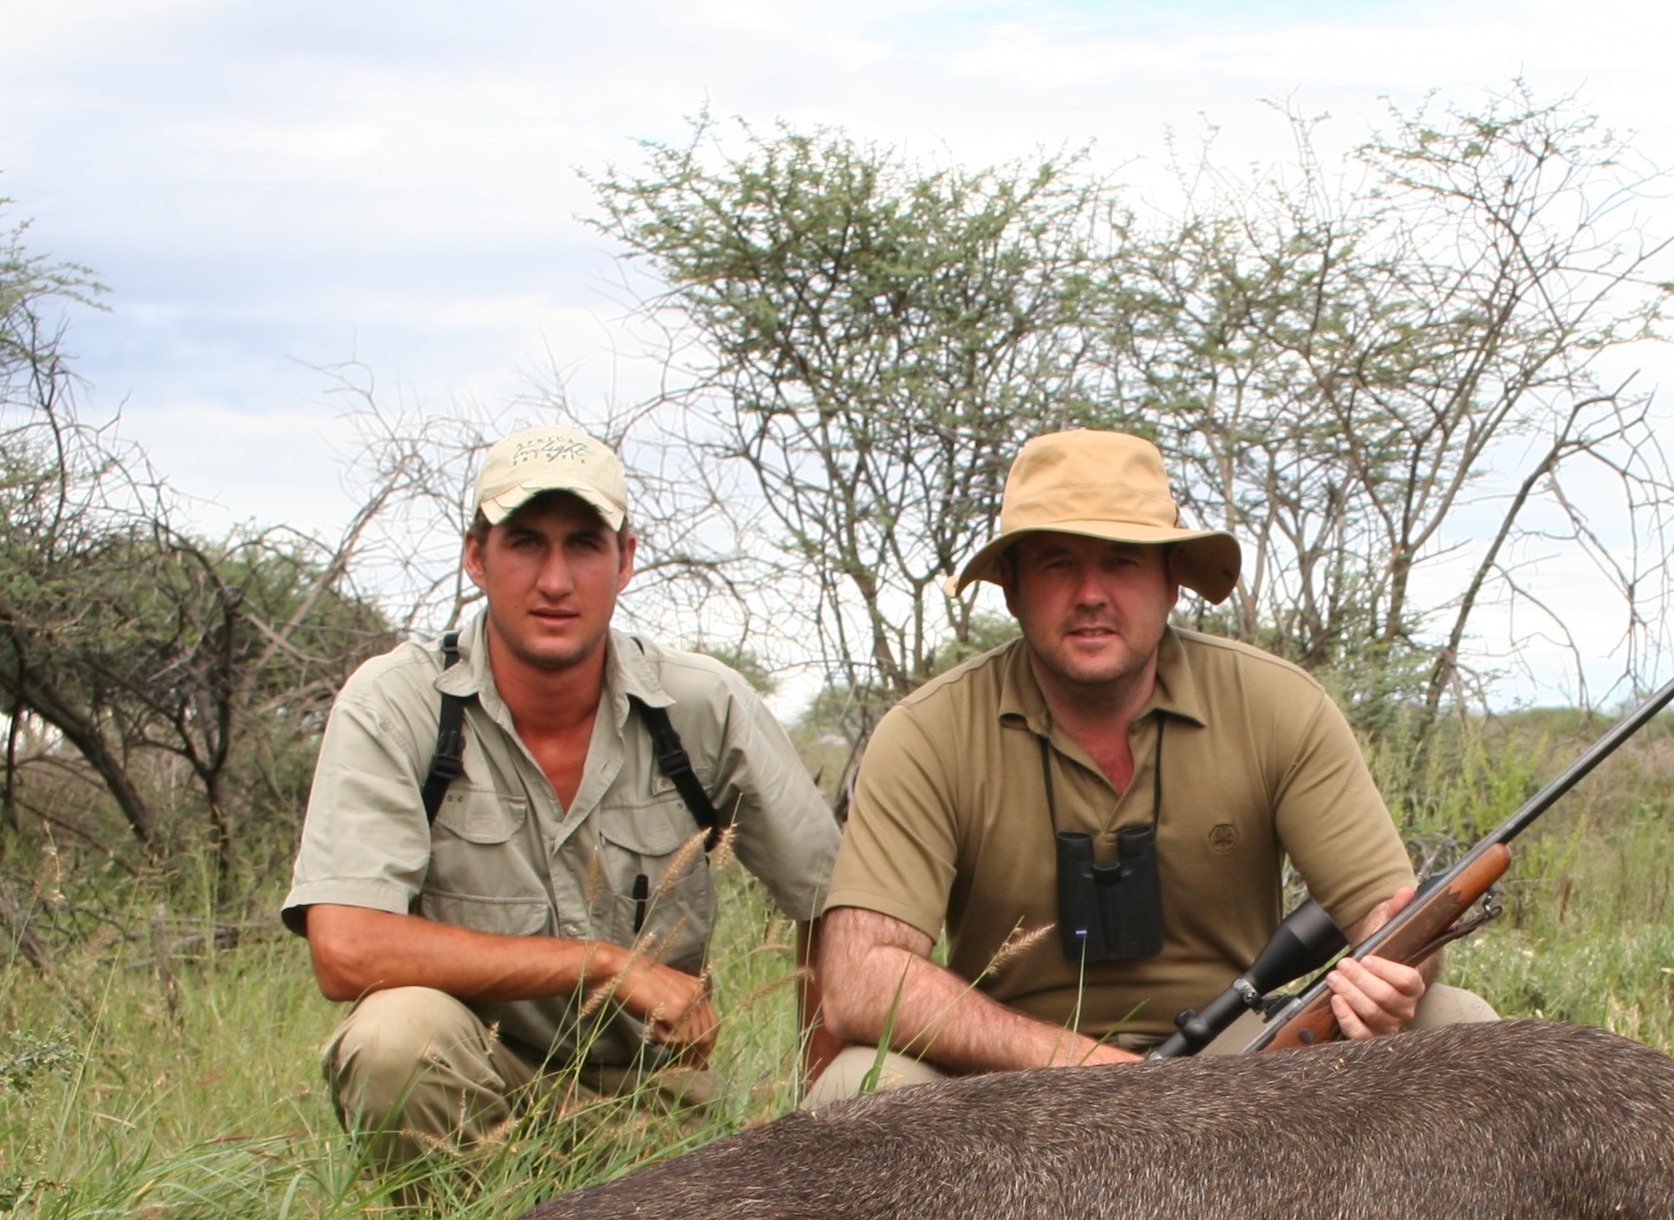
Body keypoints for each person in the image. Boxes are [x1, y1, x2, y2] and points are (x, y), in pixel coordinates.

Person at [808, 430, 1493, 1100]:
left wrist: (1394, 976)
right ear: (1011, 587)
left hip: (1240, 1063)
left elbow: (1391, 915)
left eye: (1122, 561)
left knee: (1453, 1022)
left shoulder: (1279, 704)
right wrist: (1092, 1070)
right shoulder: (927, 731)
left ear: (1172, 581)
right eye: (1055, 563)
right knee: (854, 1086)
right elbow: (859, 977)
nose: (1090, 593)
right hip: (1004, 1080)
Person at [282, 427, 839, 1158]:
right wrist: (605, 965)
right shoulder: (396, 703)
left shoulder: (705, 706)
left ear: (625, 560)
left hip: (651, 1103)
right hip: (474, 1081)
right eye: (524, 543)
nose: (554, 580)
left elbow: (832, 903)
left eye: (583, 544)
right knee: (394, 1039)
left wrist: (820, 1122)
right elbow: (347, 949)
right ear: (476, 557)